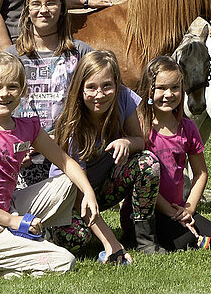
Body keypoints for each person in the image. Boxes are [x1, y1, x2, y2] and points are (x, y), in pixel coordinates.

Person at [0, 52, 109, 276]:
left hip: (7, 207)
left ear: (22, 91)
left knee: (69, 182)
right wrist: (12, 221)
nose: (4, 94)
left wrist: (88, 192)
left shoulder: (26, 127)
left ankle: (20, 241)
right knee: (64, 261)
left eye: (12, 87)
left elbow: (66, 162)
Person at [50, 50, 164, 257]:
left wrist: (126, 141)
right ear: (80, 87)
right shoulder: (72, 123)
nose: (99, 95)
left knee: (148, 163)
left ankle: (144, 238)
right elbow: (77, 191)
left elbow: (140, 141)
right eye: (91, 87)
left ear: (117, 84)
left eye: (107, 86)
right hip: (71, 197)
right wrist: (110, 242)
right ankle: (51, 231)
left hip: (102, 188)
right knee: (76, 238)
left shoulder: (123, 98)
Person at [137, 56, 211, 252]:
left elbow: (201, 173)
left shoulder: (186, 127)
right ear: (148, 89)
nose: (168, 94)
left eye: (175, 88)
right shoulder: (140, 127)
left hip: (179, 208)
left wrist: (189, 209)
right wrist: (169, 211)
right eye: (161, 88)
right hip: (148, 211)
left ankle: (190, 235)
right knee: (184, 240)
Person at [13, 0, 92, 185]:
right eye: (36, 4)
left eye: (51, 3)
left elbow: (108, 96)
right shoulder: (11, 57)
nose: (43, 10)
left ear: (62, 8)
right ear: (27, 10)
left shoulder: (82, 53)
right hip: (24, 159)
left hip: (68, 157)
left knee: (66, 217)